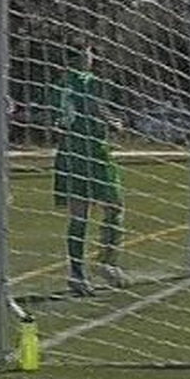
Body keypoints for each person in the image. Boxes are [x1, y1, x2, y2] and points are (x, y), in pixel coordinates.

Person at [52, 41, 126, 296]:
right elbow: (92, 105)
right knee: (114, 205)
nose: (91, 56)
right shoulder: (86, 79)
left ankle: (77, 274)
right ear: (81, 56)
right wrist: (113, 122)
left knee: (79, 215)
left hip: (68, 154)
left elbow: (59, 116)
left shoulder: (58, 83)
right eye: (88, 52)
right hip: (93, 152)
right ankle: (106, 262)